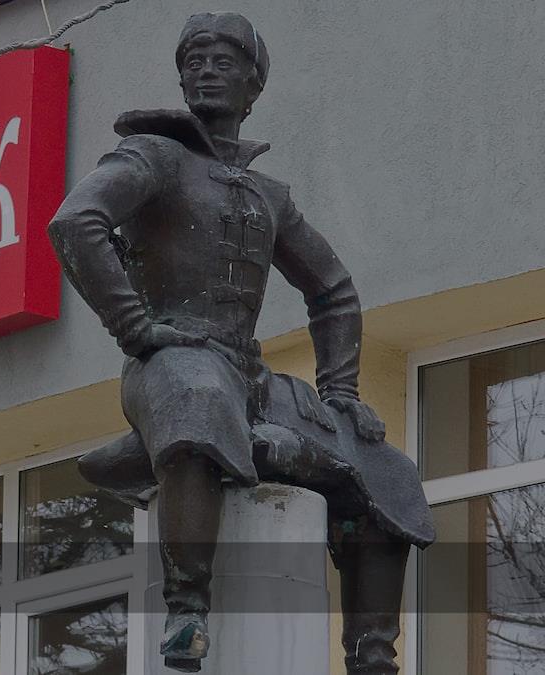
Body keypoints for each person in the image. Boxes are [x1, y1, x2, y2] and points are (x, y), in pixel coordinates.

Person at [46, 13, 434, 674]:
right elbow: (75, 221)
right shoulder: (152, 155)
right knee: (198, 399)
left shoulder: (269, 195)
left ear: (253, 86)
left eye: (223, 62)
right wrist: (135, 328)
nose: (204, 72)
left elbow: (334, 290)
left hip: (248, 378)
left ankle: (373, 657)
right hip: (171, 363)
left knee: (384, 468)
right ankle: (187, 611)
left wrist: (340, 392)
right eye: (193, 61)